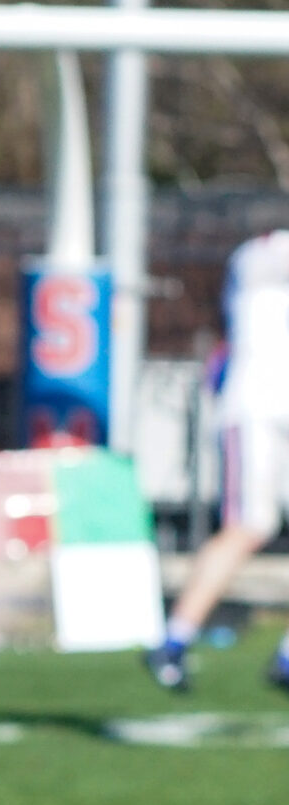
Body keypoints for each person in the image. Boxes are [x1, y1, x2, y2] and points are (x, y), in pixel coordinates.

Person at [146, 229, 289, 695]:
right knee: (249, 525)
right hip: (258, 413)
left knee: (253, 524)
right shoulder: (261, 253)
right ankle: (173, 640)